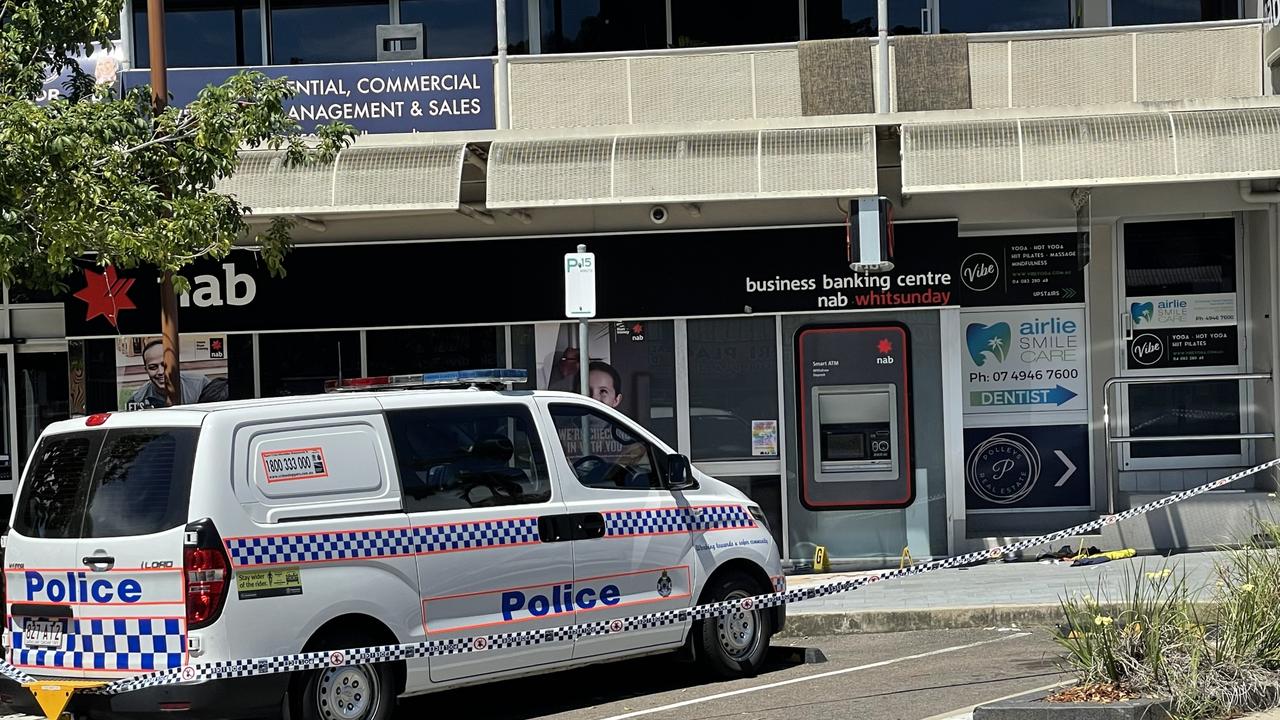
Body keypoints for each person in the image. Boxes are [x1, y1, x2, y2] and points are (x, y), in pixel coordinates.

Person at [127, 340, 211, 409]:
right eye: (153, 367)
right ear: (146, 370)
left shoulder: (200, 385)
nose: (160, 372)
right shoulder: (137, 399)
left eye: (165, 365)